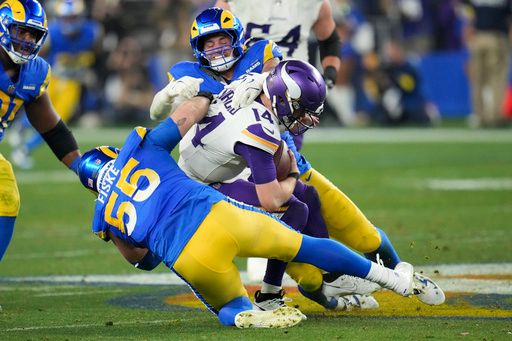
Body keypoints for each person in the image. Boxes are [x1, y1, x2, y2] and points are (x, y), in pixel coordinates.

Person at [150, 7, 445, 311]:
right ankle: (317, 290)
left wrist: (267, 81)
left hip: (263, 155)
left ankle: (298, 287)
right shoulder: (199, 83)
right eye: (208, 43)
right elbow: (168, 121)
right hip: (225, 174)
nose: (217, 48)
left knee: (326, 211)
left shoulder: (261, 59)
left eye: (221, 40)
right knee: (301, 248)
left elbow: (281, 76)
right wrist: (165, 98)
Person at [77, 93, 419, 329]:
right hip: (215, 215)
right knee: (304, 246)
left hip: (187, 257)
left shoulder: (103, 216)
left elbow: (144, 261)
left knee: (229, 307)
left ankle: (246, 315)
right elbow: (186, 114)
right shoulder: (138, 149)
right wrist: (205, 96)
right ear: (114, 154)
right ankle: (392, 279)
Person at [0, 0, 81, 264]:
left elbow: (52, 129)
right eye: (20, 31)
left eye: (32, 34)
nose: (26, 39)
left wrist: (84, 169)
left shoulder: (34, 73)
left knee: (6, 196)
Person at [215, 0, 341, 150]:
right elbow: (213, 42)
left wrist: (329, 74)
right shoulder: (231, 3)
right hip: (247, 85)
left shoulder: (313, 4)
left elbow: (329, 40)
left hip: (293, 92)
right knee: (244, 150)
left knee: (287, 156)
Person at [9, 0, 101, 169]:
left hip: (73, 81)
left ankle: (24, 145)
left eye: (73, 17)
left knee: (59, 119)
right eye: (66, 18)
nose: (69, 22)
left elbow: (95, 52)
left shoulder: (92, 31)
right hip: (53, 78)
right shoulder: (51, 32)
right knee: (43, 112)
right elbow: (36, 57)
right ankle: (21, 129)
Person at [461, 0, 512, 128]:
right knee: (497, 78)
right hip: (496, 38)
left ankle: (479, 116)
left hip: (478, 38)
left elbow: (466, 13)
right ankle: (494, 116)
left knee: (477, 80)